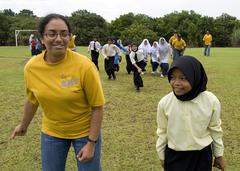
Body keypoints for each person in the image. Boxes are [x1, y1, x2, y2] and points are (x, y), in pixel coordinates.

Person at [11, 13, 105, 171]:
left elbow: (97, 107)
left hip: (85, 133)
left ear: (69, 37)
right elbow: (32, 99)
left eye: (64, 33)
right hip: (52, 133)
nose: (59, 39)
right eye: (52, 33)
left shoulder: (85, 66)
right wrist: (23, 124)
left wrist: (91, 143)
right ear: (42, 37)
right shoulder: (32, 67)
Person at [156, 56, 225, 171]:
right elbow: (162, 131)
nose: (176, 83)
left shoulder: (211, 101)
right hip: (175, 157)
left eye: (183, 78)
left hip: (202, 157)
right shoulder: (165, 103)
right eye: (172, 77)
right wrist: (162, 156)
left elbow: (215, 129)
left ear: (195, 77)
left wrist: (218, 155)